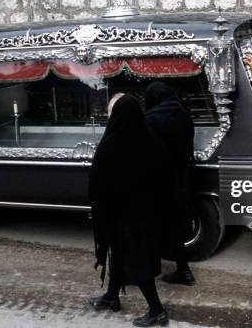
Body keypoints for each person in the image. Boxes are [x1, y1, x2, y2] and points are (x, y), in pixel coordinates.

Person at [88, 94, 172, 327]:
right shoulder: (151, 140)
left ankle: (157, 310)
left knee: (137, 262)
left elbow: (97, 180)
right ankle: (112, 296)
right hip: (146, 213)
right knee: (120, 255)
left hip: (125, 216)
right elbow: (164, 174)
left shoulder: (112, 143)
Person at [144, 82, 196, 286]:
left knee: (151, 227)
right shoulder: (184, 116)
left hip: (159, 182)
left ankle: (147, 270)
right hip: (181, 180)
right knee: (176, 228)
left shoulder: (150, 120)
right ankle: (183, 270)